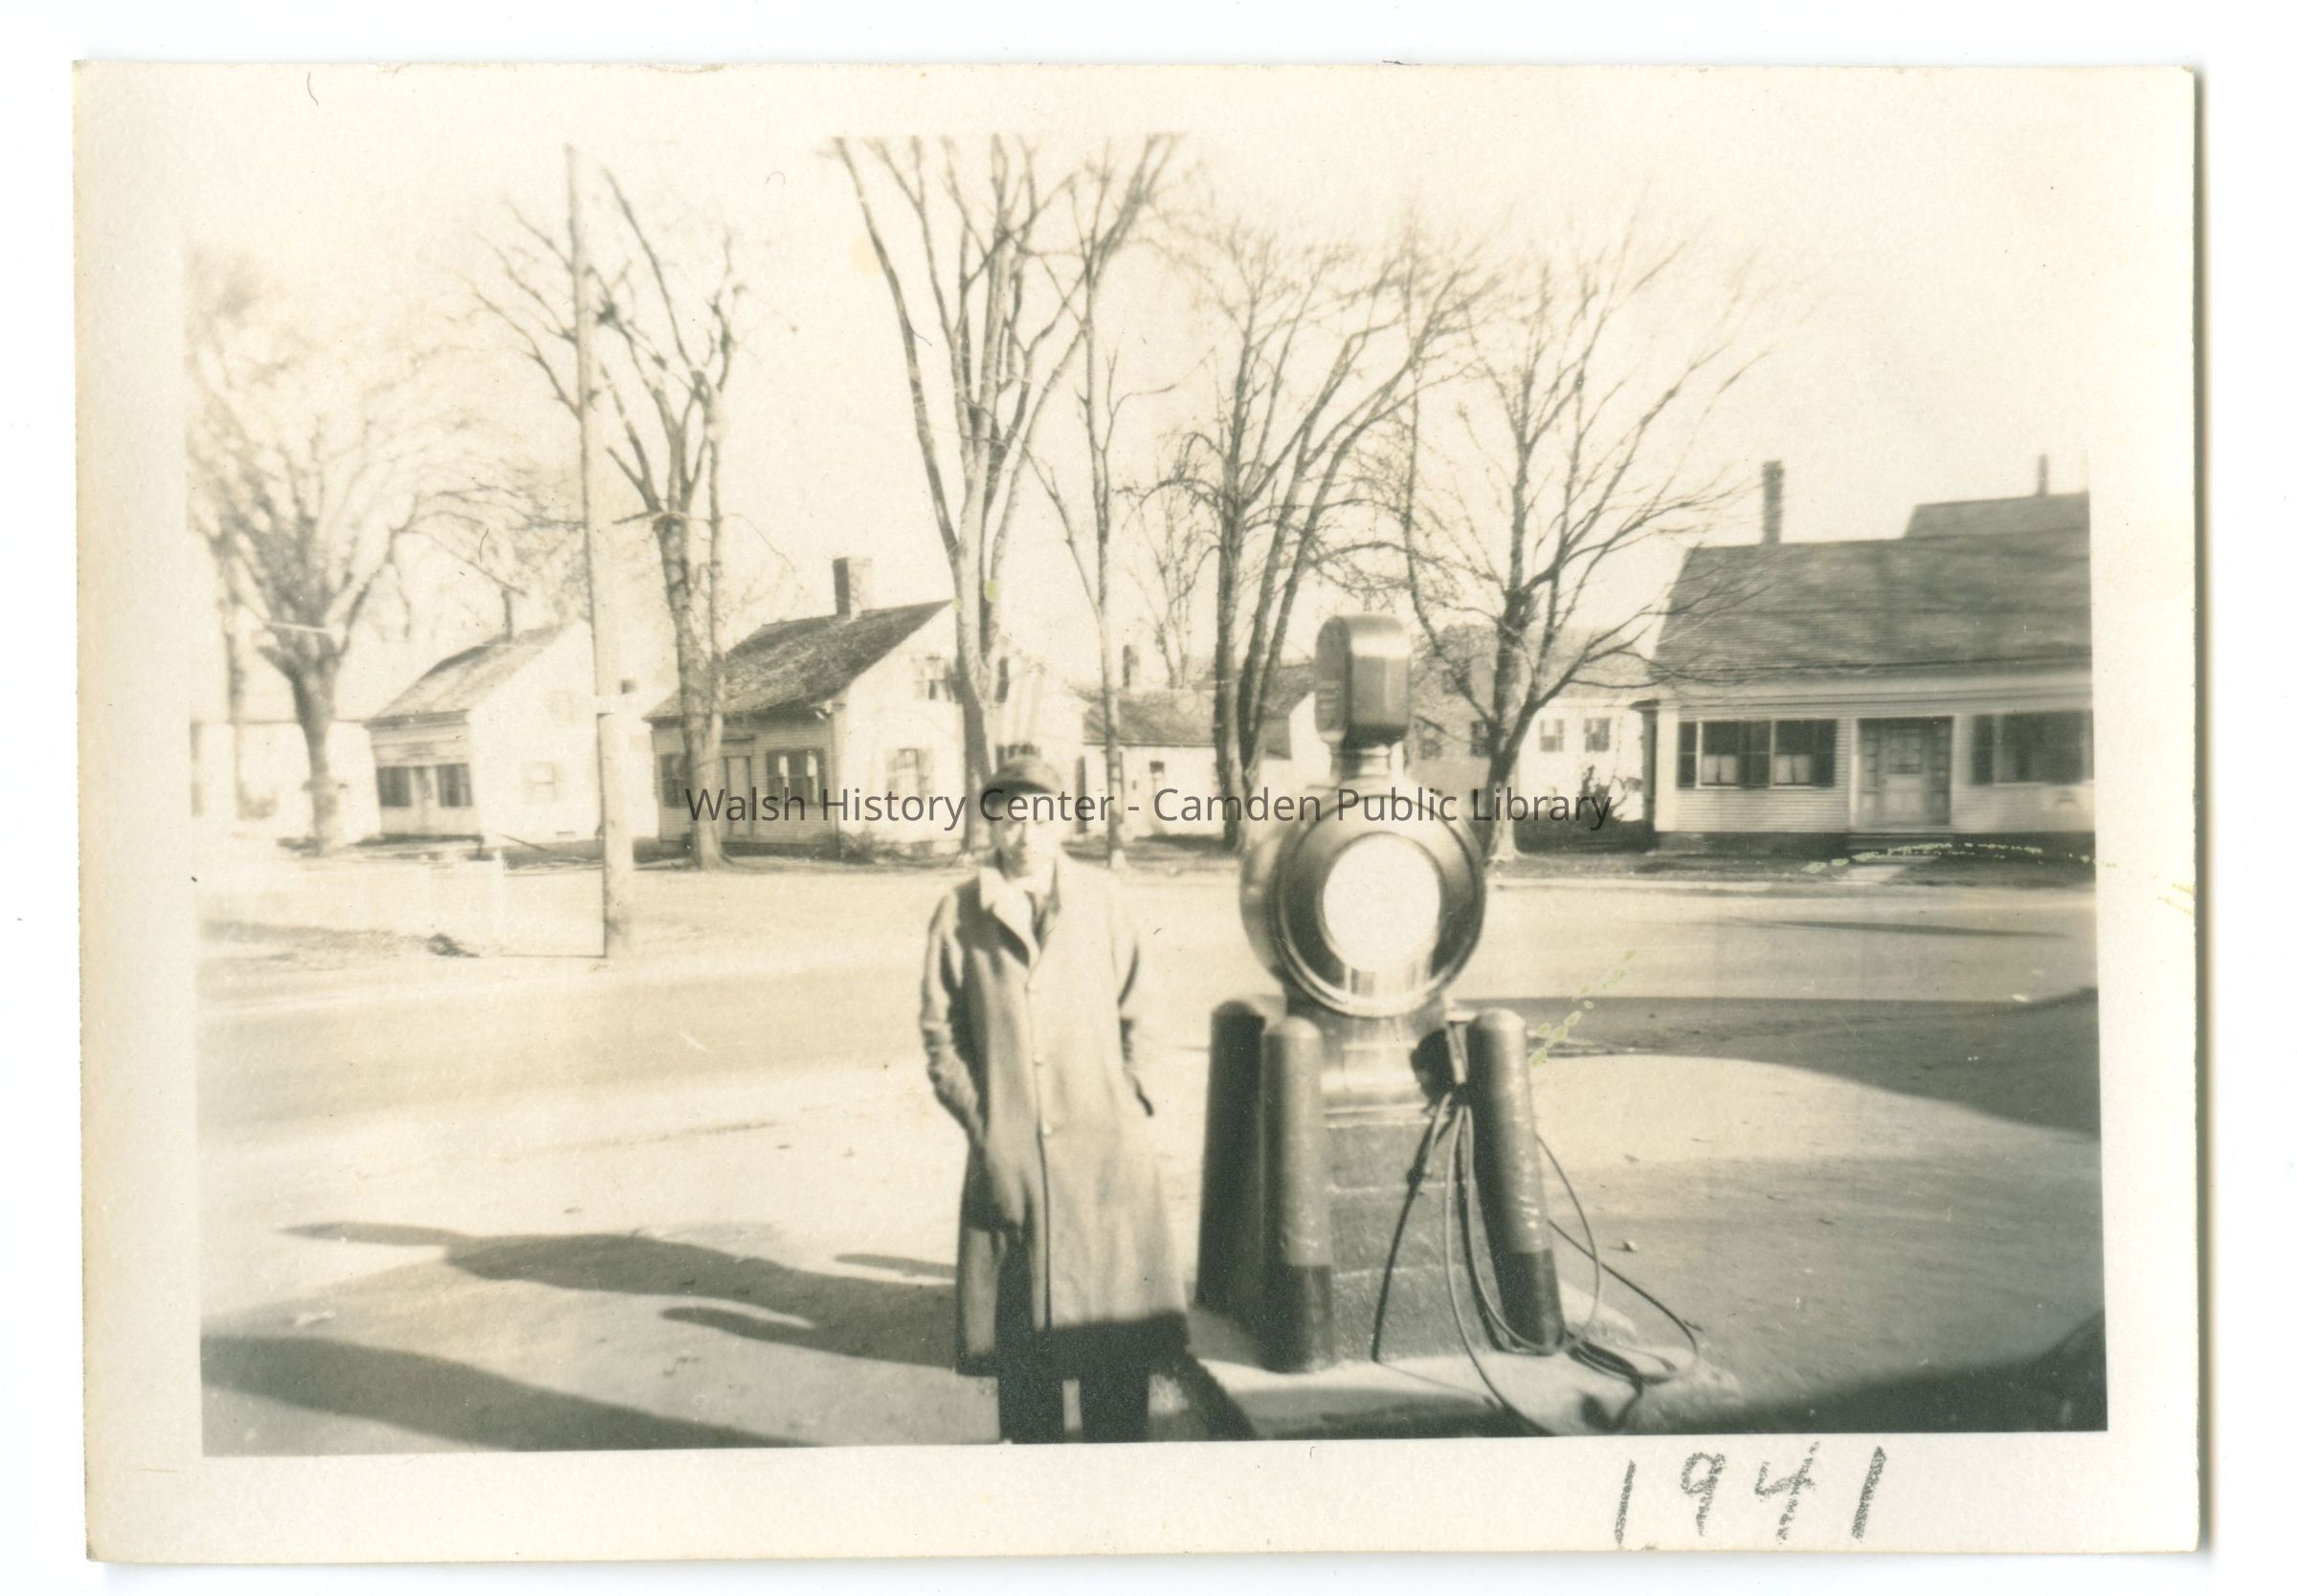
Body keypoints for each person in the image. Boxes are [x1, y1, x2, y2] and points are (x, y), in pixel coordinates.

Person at [919, 754, 1186, 1443]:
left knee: (1114, 1354)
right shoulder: (959, 912)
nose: (1025, 833)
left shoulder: (1104, 900)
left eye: (1040, 815)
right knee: (1026, 1362)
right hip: (1013, 1158)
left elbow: (1145, 1013)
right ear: (991, 825)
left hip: (1106, 1155)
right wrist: (987, 1124)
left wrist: (1130, 1103)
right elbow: (942, 1035)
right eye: (1009, 817)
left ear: (1063, 819)